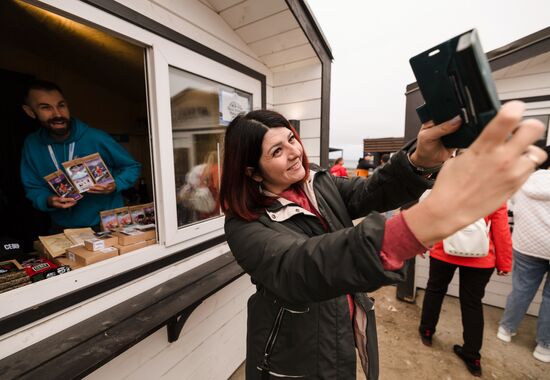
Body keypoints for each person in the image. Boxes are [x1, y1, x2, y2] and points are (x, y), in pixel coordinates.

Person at [219, 103, 546, 380]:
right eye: (277, 150)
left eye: (292, 138)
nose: (295, 152)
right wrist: (422, 222)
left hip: (342, 322)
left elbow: (367, 193)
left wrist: (419, 160)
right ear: (253, 173)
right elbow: (301, 268)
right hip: (293, 347)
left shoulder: (316, 182)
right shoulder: (244, 224)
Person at [418, 171, 512, 377]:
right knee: (472, 303)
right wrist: (504, 262)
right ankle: (472, 356)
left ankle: (426, 331)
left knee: (434, 290)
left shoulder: (448, 187)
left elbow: (432, 216)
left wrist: (423, 243)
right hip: (481, 258)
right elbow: (501, 229)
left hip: (444, 251)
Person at [20, 80, 141, 230]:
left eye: (61, 105)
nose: (57, 114)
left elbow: (132, 166)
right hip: (62, 227)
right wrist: (48, 200)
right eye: (46, 108)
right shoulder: (31, 144)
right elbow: (33, 186)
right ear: (30, 112)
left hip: (106, 224)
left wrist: (115, 185)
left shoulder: (96, 137)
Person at [497, 147, 550, 363]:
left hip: (527, 245)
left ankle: (506, 329)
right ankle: (544, 346)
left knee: (521, 289)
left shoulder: (524, 182)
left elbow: (510, 207)